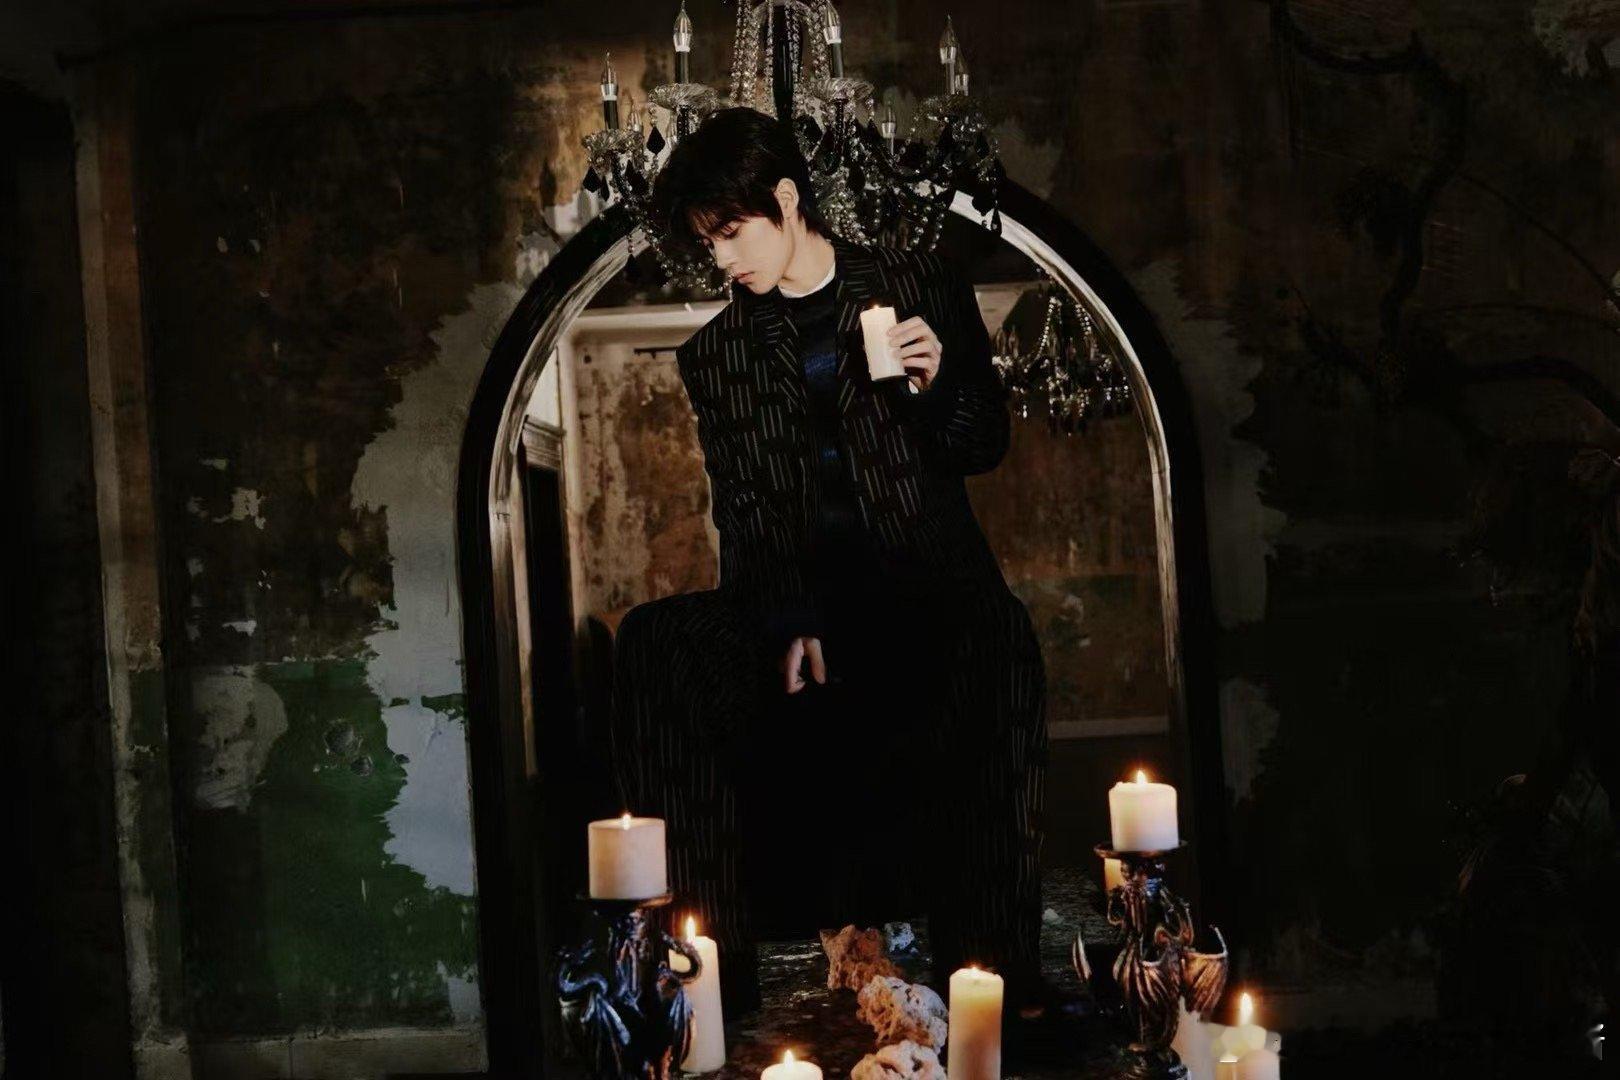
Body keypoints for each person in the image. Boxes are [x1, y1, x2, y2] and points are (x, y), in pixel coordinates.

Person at [611, 106, 1048, 1014]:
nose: (723, 259)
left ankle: (994, 984)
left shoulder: (919, 280)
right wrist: (788, 617)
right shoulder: (718, 355)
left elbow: (982, 445)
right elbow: (743, 507)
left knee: (995, 640)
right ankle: (705, 985)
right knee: (657, 641)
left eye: (732, 233)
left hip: (927, 591)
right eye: (707, 241)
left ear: (785, 198)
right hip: (802, 602)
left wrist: (935, 387)